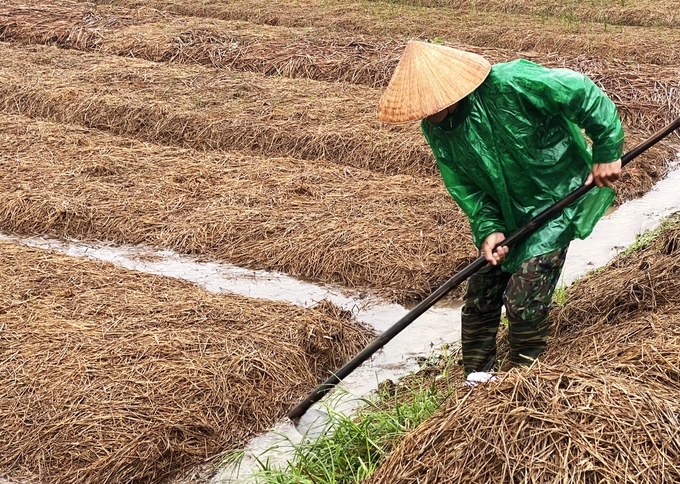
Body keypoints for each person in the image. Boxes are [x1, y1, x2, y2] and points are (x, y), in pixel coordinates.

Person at [377, 41, 624, 379]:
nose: (426, 113)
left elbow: (581, 91)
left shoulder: (511, 82)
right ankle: (477, 378)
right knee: (481, 294)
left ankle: (525, 378)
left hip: (557, 194)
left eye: (430, 104)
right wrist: (489, 228)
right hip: (509, 213)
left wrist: (607, 149)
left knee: (524, 299)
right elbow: (466, 186)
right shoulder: (437, 129)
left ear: (449, 90)